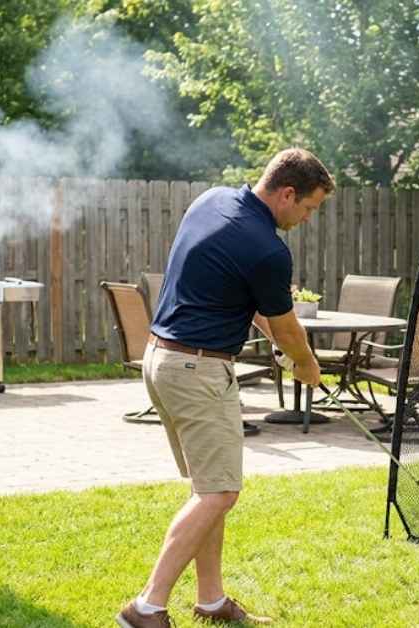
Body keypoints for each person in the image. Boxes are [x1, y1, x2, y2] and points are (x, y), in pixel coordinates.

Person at [117, 148, 332, 627]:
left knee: (208, 488)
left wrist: (281, 340)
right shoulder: (268, 249)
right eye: (308, 208)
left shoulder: (212, 201)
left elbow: (238, 295)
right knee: (218, 494)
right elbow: (290, 328)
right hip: (197, 371)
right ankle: (146, 606)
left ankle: (211, 601)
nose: (306, 218)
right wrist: (307, 365)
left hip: (162, 360)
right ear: (288, 193)